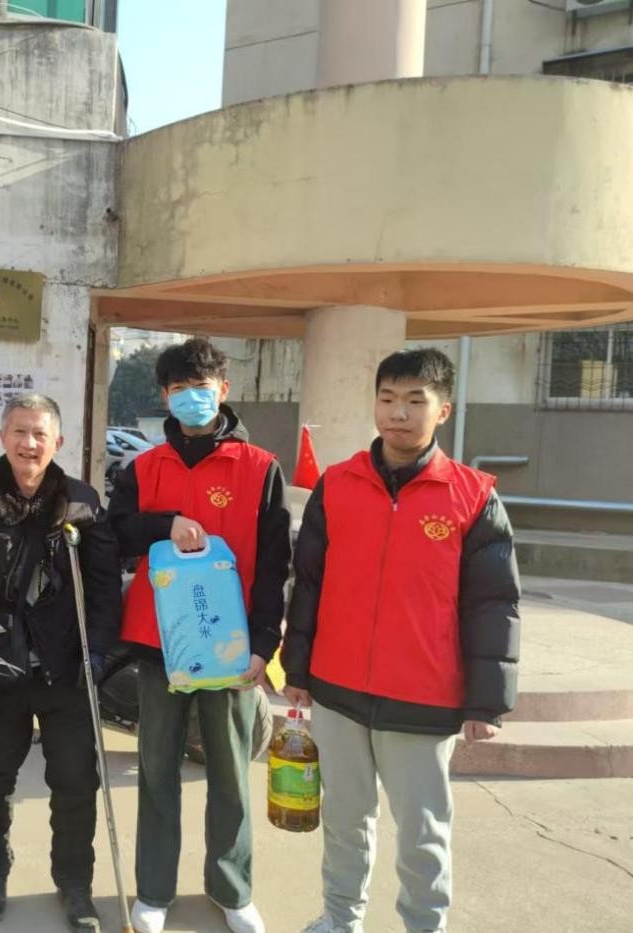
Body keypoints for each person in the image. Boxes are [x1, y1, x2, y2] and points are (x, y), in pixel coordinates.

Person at [282, 348, 520, 933]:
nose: (398, 413)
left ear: (443, 411)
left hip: (424, 698)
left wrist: (486, 702)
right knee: (344, 819)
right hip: (337, 689)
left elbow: (493, 604)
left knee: (422, 831)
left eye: (416, 401)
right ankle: (340, 918)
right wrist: (299, 670)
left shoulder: (472, 496)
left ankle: (424, 925)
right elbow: (308, 583)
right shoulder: (337, 485)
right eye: (387, 399)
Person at [109, 337, 291, 933]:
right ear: (165, 396)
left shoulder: (259, 467)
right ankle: (154, 891)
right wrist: (164, 525)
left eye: (201, 387)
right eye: (180, 389)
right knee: (157, 769)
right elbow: (117, 533)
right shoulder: (143, 468)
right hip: (161, 644)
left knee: (231, 773)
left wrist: (264, 643)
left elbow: (275, 564)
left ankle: (231, 889)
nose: (192, 398)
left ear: (224, 391)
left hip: (230, 648)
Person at [0, 393, 123, 932]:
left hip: (67, 664)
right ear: (2, 438)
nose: (29, 443)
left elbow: (104, 588)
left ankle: (75, 883)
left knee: (76, 780)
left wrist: (98, 652)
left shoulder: (81, 501)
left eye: (40, 433)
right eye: (18, 431)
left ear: (58, 441)